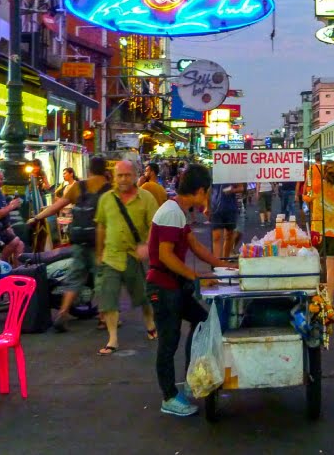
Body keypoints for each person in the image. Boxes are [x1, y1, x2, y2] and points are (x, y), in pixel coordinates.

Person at [147, 165, 229, 417]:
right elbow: (165, 256)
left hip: (175, 285)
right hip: (163, 286)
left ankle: (189, 377)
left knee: (201, 320)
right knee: (168, 341)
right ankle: (169, 397)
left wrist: (222, 264)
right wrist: (196, 277)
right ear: (200, 190)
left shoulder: (178, 212)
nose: (207, 199)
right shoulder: (172, 213)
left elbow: (194, 246)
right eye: (206, 193)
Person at [31, 156, 111, 332]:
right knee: (102, 279)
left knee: (75, 277)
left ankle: (64, 312)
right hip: (100, 243)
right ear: (105, 171)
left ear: (89, 169)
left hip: (79, 240)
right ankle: (104, 317)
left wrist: (37, 217)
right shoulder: (108, 190)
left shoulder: (78, 186)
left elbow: (58, 205)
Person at [94, 161, 159, 355]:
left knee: (142, 296)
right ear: (114, 177)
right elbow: (101, 226)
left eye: (127, 175)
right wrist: (99, 254)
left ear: (135, 176)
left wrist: (147, 246)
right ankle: (112, 338)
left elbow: (155, 227)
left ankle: (150, 322)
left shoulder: (146, 198)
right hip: (111, 256)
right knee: (109, 298)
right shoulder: (106, 199)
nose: (123, 179)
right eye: (119, 175)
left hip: (134, 256)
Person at [304, 161, 334, 304]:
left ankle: (318, 298)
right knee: (331, 267)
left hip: (318, 229)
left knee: (318, 263)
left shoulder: (317, 186)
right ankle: (329, 301)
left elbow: (306, 197)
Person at [209, 183, 243, 259]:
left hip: (230, 208)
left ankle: (225, 261)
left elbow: (241, 188)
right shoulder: (213, 172)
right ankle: (216, 264)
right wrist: (206, 206)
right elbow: (208, 189)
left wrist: (233, 190)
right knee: (216, 237)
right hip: (215, 208)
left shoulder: (232, 173)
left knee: (228, 236)